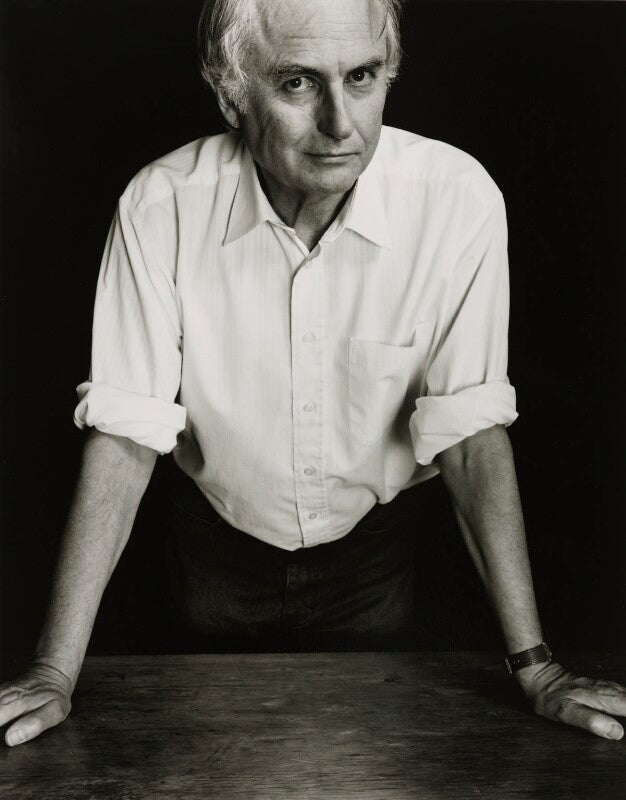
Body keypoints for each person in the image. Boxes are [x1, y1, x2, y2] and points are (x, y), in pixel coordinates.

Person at [1, 0, 624, 747]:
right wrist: (54, 672)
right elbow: (124, 441)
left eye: (361, 77)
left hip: (377, 560)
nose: (340, 124)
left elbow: (470, 436)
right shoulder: (160, 205)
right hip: (207, 556)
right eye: (297, 83)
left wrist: (538, 668)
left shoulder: (458, 201)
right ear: (231, 95)